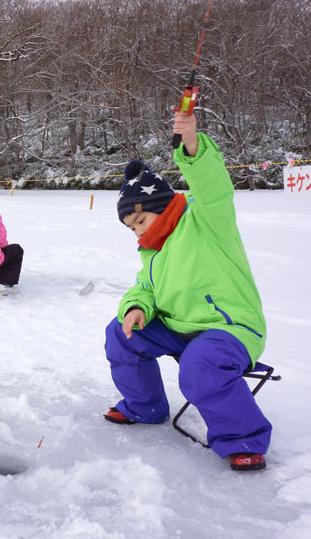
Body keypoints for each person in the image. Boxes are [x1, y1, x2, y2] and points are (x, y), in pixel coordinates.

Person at [103, 110, 272, 471]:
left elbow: (212, 186)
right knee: (120, 332)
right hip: (179, 329)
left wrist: (191, 145)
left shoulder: (207, 220)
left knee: (202, 361)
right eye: (129, 227)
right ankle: (143, 406)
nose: (136, 231)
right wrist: (136, 308)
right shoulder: (152, 250)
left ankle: (242, 438)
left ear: (160, 207)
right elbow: (144, 287)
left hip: (229, 329)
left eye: (140, 221)